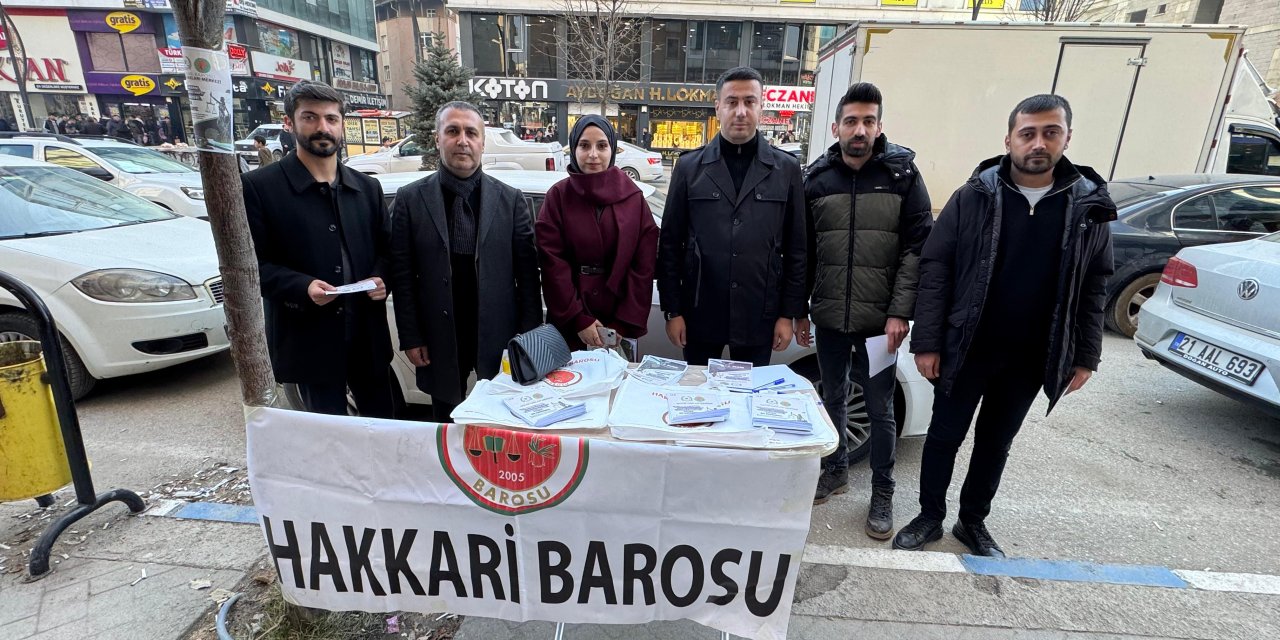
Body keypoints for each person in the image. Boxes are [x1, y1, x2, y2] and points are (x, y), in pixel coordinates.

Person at [892, 94, 1115, 557]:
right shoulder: (974, 196)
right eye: (1028, 133)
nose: (1038, 143)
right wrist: (927, 342)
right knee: (943, 437)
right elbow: (937, 268)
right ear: (1008, 139)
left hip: (1032, 356)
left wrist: (1085, 355)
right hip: (967, 347)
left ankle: (971, 523)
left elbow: (1094, 285)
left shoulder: (1087, 207)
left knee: (995, 444)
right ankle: (929, 516)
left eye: (1050, 132)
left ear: (1066, 138)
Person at [800, 83, 933, 541]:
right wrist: (803, 308)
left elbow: (918, 248)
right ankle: (835, 470)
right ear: (836, 127)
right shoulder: (817, 180)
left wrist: (901, 312)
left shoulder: (902, 176)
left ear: (879, 126)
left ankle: (882, 490)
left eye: (869, 121)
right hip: (831, 317)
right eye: (852, 121)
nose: (860, 130)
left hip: (881, 324)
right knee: (832, 396)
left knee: (880, 408)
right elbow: (805, 252)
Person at [242, 81, 396, 418]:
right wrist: (302, 286)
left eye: (331, 118)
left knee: (383, 432)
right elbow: (252, 268)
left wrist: (382, 278)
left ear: (342, 125)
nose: (322, 127)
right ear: (290, 123)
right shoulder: (260, 188)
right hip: (308, 343)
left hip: (367, 339)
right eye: (310, 117)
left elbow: (388, 251)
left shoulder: (367, 188)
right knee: (326, 443)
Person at [388, 101, 543, 422]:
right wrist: (412, 336)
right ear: (437, 138)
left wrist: (528, 338)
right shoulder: (410, 199)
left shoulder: (511, 201)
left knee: (502, 422)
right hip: (438, 335)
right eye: (453, 131)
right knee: (446, 422)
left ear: (482, 142)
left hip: (499, 333)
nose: (463, 140)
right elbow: (402, 276)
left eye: (471, 132)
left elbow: (528, 278)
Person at [656, 66, 807, 367]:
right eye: (732, 102)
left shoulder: (786, 169)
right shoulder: (689, 168)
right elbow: (670, 245)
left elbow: (797, 249)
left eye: (749, 102)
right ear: (718, 107)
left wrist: (787, 314)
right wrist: (673, 310)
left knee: (747, 403)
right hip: (700, 311)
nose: (740, 111)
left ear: (761, 107)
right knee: (700, 397)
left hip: (759, 314)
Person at [536, 114, 659, 350]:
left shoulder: (633, 198)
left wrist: (621, 324)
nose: (593, 154)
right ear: (573, 149)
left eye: (602, 146)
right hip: (570, 319)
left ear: (611, 150)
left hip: (617, 319)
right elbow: (552, 262)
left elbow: (642, 265)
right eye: (584, 145)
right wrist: (577, 318)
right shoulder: (558, 196)